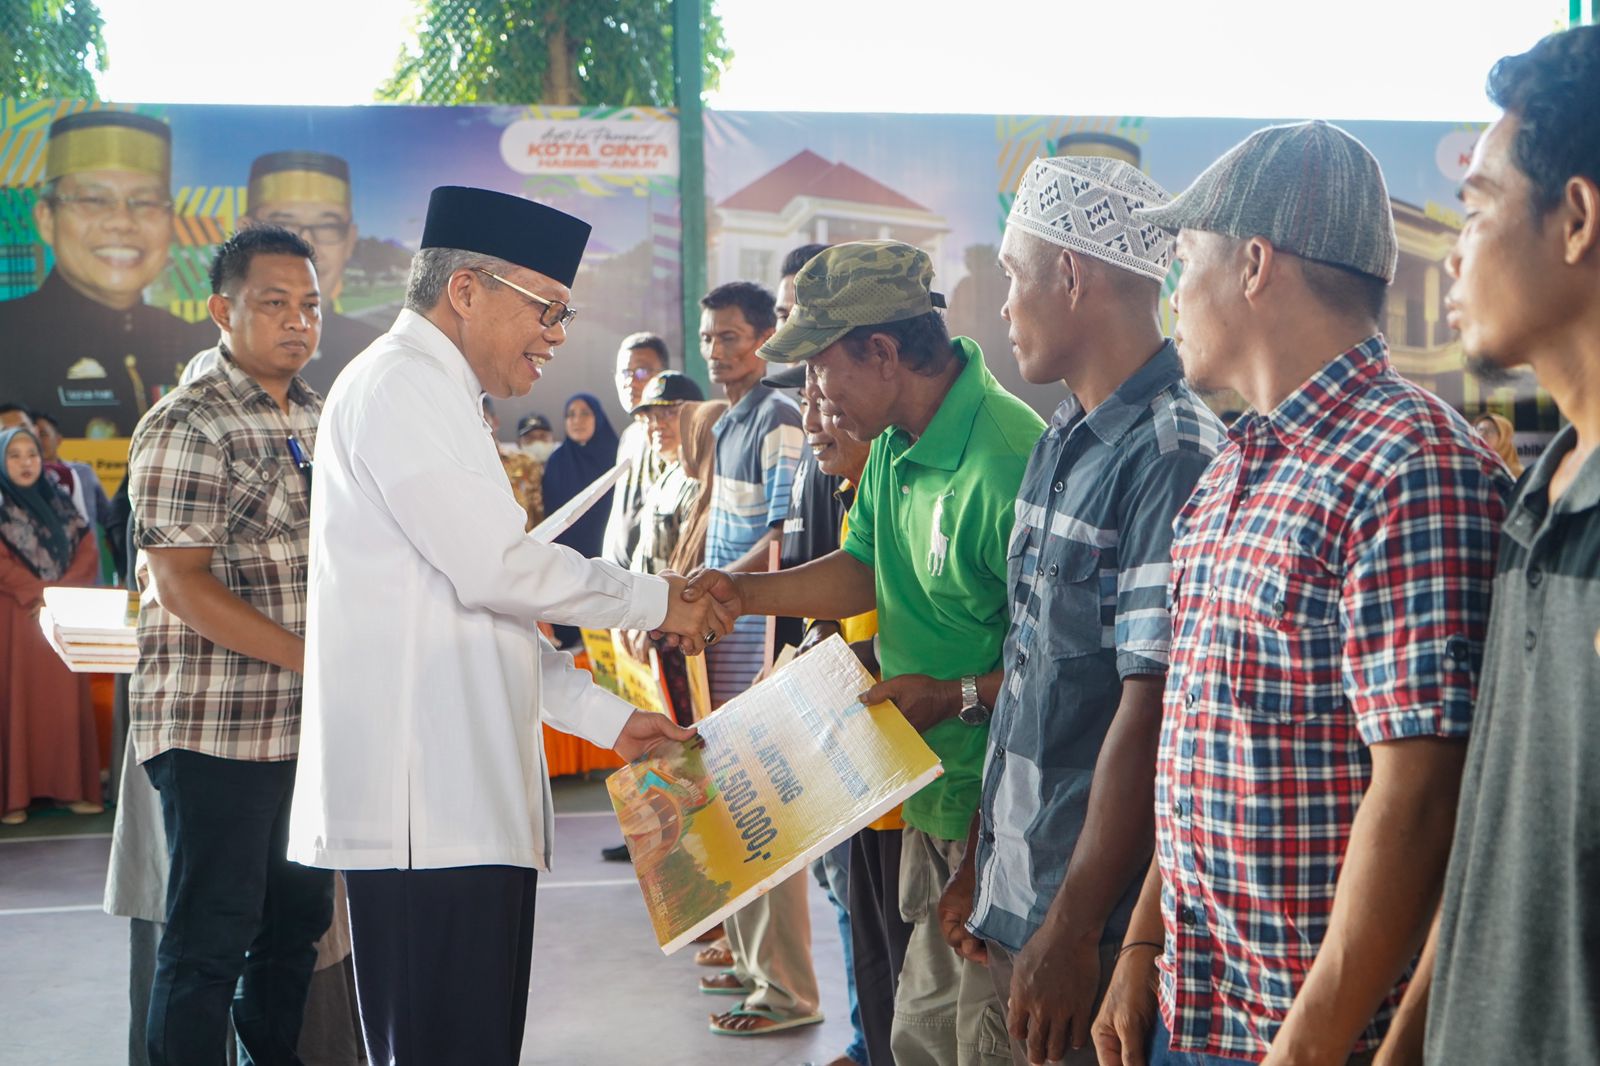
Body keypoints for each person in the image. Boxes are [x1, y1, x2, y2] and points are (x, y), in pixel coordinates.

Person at [1088, 122, 1510, 1066]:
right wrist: (1144, 941)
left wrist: (1306, 1048)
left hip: (1321, 1037)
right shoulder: (1233, 473)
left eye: (1182, 260)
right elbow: (1202, 747)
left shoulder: (1411, 466)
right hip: (1199, 1012)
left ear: (1251, 263)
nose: (1170, 295)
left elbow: (1424, 796)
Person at [283, 185, 720, 1066]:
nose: (558, 334)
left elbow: (478, 607)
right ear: (467, 290)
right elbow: (499, 571)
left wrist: (608, 719)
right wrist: (656, 598)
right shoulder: (402, 386)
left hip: (457, 805)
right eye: (547, 309)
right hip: (425, 815)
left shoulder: (438, 395)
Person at [683, 240, 1045, 1064]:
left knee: (984, 1043)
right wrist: (746, 594)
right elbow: (862, 569)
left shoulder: (1006, 460)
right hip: (929, 806)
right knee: (918, 1036)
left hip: (1001, 828)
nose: (811, 396)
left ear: (883, 352)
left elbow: (1050, 675)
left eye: (818, 368)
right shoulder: (891, 446)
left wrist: (951, 699)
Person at [937, 157, 1225, 1066]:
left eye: (1016, 278)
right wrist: (979, 863)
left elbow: (1150, 714)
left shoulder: (1171, 457)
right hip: (1022, 895)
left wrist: (1071, 926)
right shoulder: (1062, 438)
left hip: (1092, 929)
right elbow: (1030, 678)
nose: (1004, 307)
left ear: (1071, 275)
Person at [1374, 26, 1600, 1066]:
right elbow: (1496, 848)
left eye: (1474, 207)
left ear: (1575, 217)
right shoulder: (1536, 499)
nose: (1451, 252)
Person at [0, 112, 207, 438]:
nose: (122, 222)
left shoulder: (198, 349)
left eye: (146, 202)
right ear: (46, 218)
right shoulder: (7, 335)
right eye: (94, 200)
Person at [0, 425, 100, 825]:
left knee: (63, 703)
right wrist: (39, 591)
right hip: (14, 618)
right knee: (17, 701)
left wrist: (57, 592)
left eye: (32, 455)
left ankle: (69, 789)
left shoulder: (60, 503)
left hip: (60, 615)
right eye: (15, 456)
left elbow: (87, 551)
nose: (26, 463)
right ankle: (15, 797)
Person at [242, 151, 382, 395]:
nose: (306, 246)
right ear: (244, 232)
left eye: (327, 226)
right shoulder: (197, 346)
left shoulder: (375, 355)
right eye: (283, 225)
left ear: (350, 240)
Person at [601, 332, 671, 567]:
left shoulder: (671, 434)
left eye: (641, 372)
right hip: (620, 572)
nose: (631, 381)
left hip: (656, 573)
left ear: (662, 376)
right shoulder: (630, 435)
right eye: (624, 373)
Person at [542, 392, 620, 558]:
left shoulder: (616, 456)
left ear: (598, 417)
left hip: (611, 551)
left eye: (585, 413)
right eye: (571, 415)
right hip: (566, 559)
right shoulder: (556, 462)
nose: (577, 420)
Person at [32, 409, 114, 544]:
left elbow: (109, 518)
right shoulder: (20, 480)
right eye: (32, 435)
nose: (37, 441)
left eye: (43, 434)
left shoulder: (82, 473)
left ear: (58, 439)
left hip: (88, 559)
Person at [484, 396, 544, 529]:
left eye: (482, 419)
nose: (476, 426)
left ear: (495, 422)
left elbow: (539, 515)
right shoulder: (459, 468)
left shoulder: (526, 463)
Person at [1469, 411, 1522, 477]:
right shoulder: (1470, 465)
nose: (1482, 435)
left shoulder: (1517, 473)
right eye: (1480, 430)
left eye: (1490, 431)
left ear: (1504, 437)